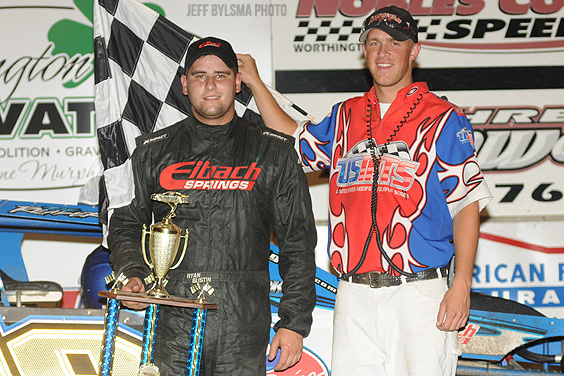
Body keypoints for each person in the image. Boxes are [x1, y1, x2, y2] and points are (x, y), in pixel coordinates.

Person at [238, 6, 492, 375]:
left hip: (419, 294)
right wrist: (257, 84)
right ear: (364, 52)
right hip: (353, 293)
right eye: (374, 43)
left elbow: (466, 204)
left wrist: (462, 284)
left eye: (394, 43)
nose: (383, 52)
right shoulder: (346, 116)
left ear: (414, 51)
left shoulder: (442, 118)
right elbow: (293, 142)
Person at [107, 36, 317, 376]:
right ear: (184, 84)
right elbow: (126, 224)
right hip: (170, 317)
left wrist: (294, 323)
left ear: (237, 82)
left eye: (220, 75)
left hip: (242, 324)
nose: (210, 85)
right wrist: (133, 273)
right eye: (200, 75)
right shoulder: (152, 151)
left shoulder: (275, 151)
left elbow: (298, 243)